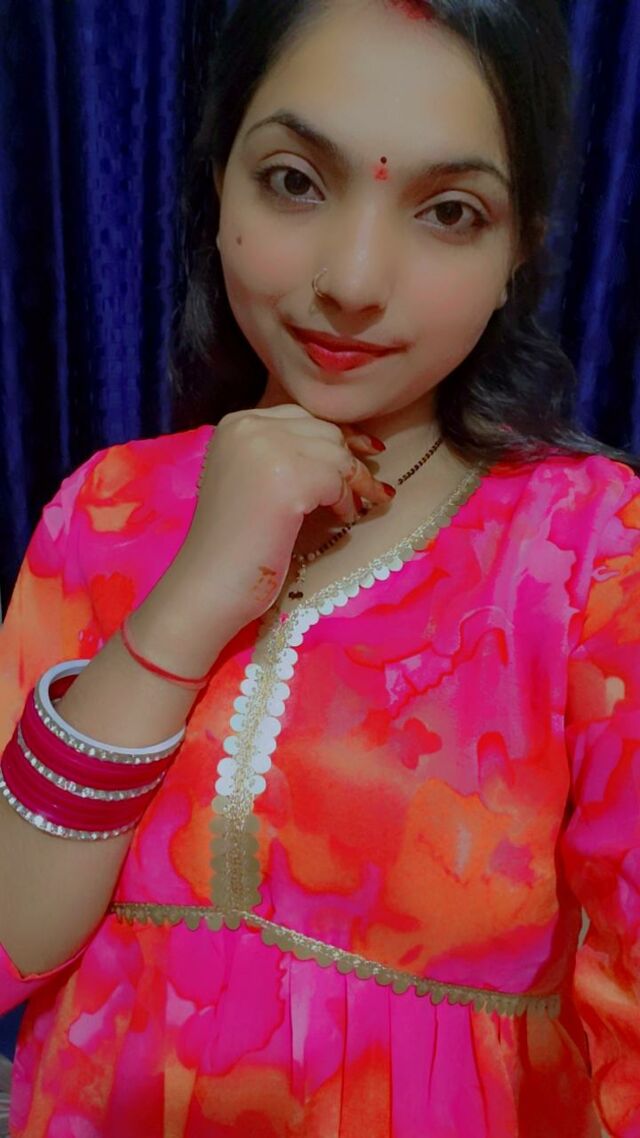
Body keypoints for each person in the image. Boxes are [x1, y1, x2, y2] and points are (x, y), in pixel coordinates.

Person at [1, 0, 639, 1134]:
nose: (351, 278)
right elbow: (11, 942)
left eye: (449, 211)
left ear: (520, 250)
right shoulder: (104, 508)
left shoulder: (587, 555)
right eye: (296, 182)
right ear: (219, 186)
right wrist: (192, 596)